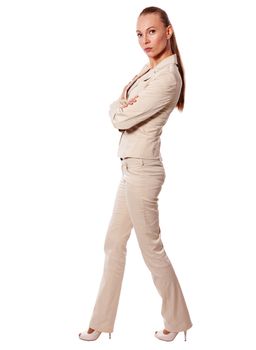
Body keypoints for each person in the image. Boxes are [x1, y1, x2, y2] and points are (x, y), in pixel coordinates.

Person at [78, 6, 193, 342]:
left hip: (143, 172)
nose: (145, 39)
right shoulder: (150, 68)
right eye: (140, 34)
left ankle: (178, 320)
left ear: (168, 32)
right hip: (130, 168)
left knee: (151, 250)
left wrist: (121, 109)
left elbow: (120, 117)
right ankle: (101, 322)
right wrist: (121, 107)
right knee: (114, 243)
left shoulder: (168, 76)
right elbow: (117, 104)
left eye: (152, 32)